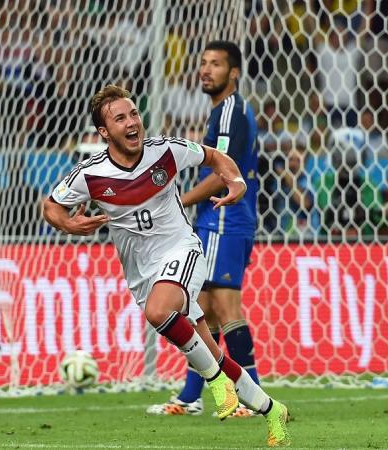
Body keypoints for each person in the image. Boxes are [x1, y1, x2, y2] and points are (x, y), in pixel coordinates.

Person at [42, 86, 290, 448]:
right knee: (213, 352)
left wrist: (236, 182)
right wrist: (67, 224)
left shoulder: (166, 150)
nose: (132, 123)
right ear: (104, 132)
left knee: (160, 312)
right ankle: (272, 410)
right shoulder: (90, 175)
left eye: (133, 114)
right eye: (120, 118)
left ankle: (215, 383)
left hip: (182, 249)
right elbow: (51, 205)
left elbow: (216, 158)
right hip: (142, 273)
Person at [148, 40, 263, 418]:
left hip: (225, 217)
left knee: (222, 306)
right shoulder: (224, 111)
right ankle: (191, 396)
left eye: (216, 64)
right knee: (205, 309)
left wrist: (179, 202)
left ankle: (252, 395)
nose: (206, 70)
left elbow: (224, 172)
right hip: (223, 218)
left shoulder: (230, 111)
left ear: (233, 73)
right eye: (203, 63)